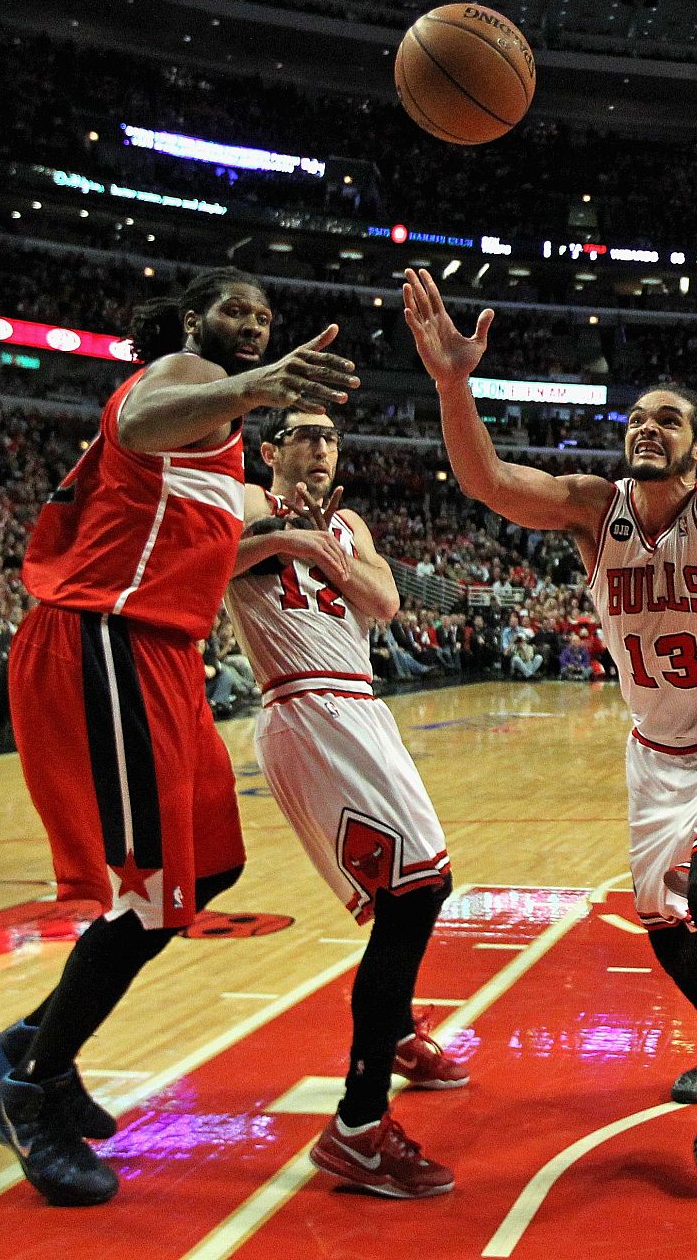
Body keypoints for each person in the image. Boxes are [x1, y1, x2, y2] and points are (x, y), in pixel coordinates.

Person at [405, 199, 697, 1182]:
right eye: (637, 416)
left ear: (696, 449)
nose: (646, 426)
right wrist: (455, 383)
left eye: (667, 418)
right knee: (663, 927)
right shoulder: (592, 509)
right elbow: (488, 479)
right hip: (654, 756)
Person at [0, 275, 359, 1207]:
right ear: (194, 324)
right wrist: (255, 383)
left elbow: (203, 548)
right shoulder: (179, 379)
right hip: (106, 636)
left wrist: (290, 542)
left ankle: (30, 1040)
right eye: (237, 312)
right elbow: (142, 422)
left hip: (163, 653)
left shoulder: (218, 440)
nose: (254, 325)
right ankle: (33, 1090)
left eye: (265, 318)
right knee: (147, 892)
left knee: (208, 870)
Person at [224, 406, 465, 1201]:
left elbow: (386, 600)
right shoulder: (249, 504)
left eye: (331, 436)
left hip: (359, 708)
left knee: (422, 886)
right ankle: (359, 1125)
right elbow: (213, 561)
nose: (321, 447)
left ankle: (392, 1033)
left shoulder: (349, 521)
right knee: (413, 893)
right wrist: (292, 539)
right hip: (304, 707)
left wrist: (319, 545)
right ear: (271, 450)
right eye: (304, 435)